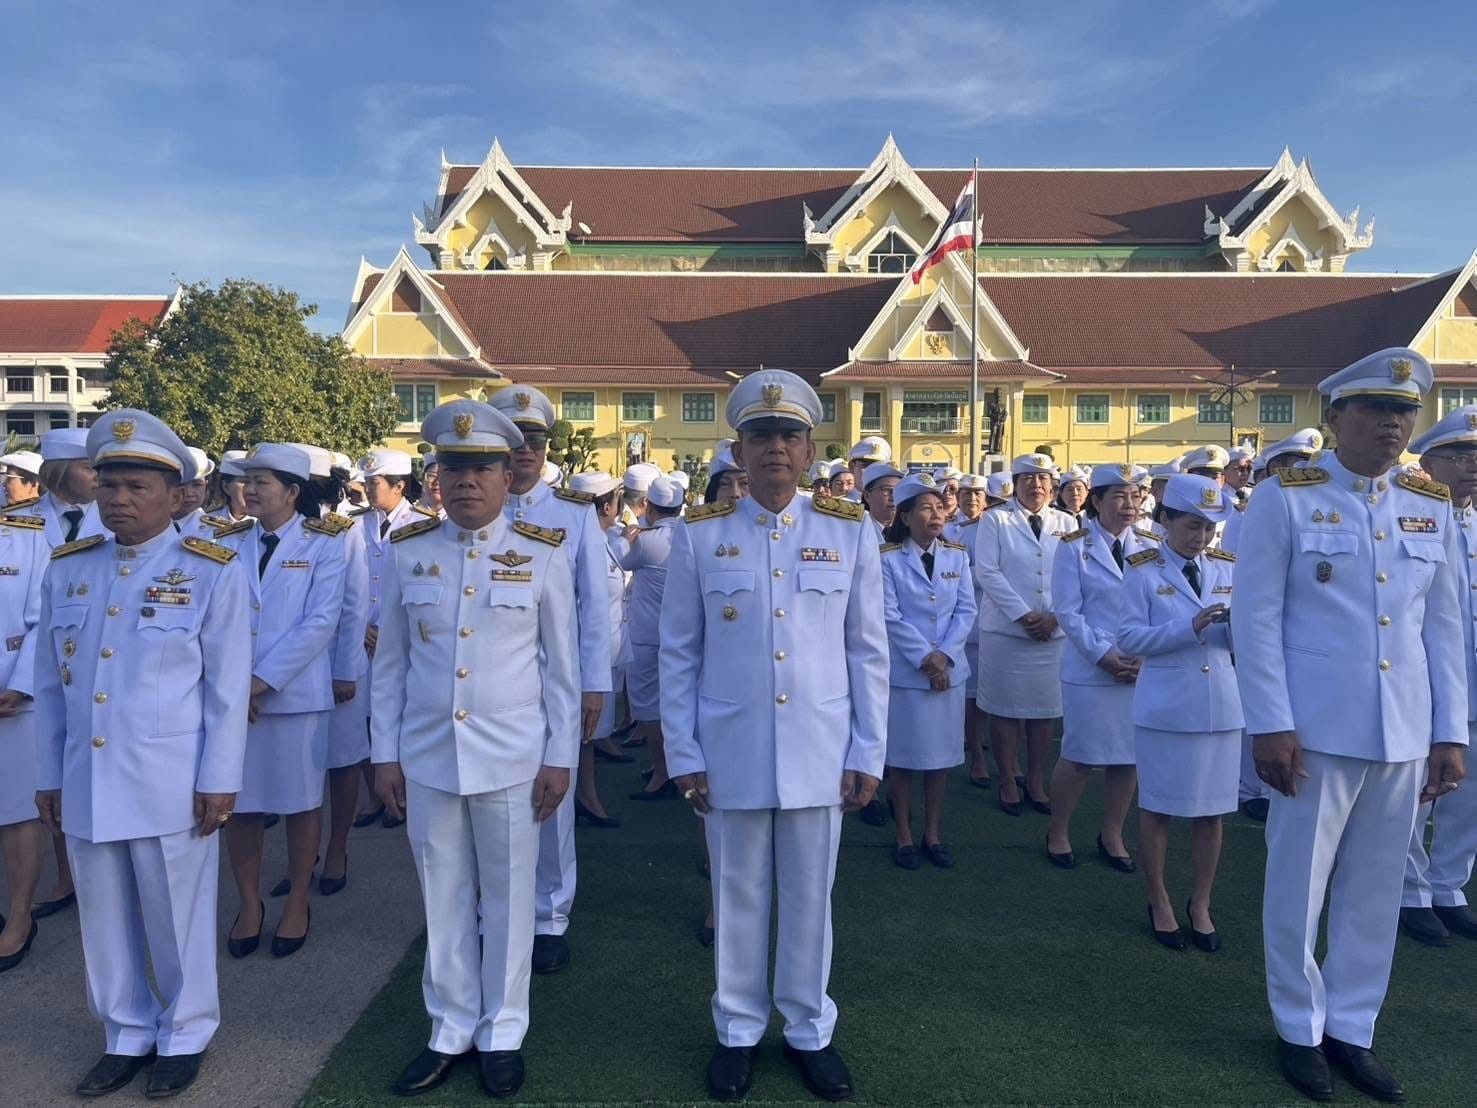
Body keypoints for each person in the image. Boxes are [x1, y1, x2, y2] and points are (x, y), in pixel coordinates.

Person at [1232, 349, 1467, 1103]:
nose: (1390, 424)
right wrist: (1269, 723)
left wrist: (1449, 733)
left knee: (1373, 892)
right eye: (1373, 409)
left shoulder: (1428, 507)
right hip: (1312, 731)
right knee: (1297, 887)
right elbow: (1256, 618)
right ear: (1334, 418)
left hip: (1401, 732)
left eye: (1402, 412)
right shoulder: (1286, 496)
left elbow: (1441, 630)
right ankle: (1297, 1026)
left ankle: (1351, 1029)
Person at [661, 370, 888, 1103]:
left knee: (810, 897)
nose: (775, 450)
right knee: (737, 893)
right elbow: (679, 652)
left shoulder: (848, 531)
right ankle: (734, 1029)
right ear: (737, 448)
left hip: (821, 745)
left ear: (812, 447)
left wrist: (867, 752)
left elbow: (867, 652)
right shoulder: (699, 536)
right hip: (728, 746)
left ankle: (807, 1030)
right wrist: (683, 751)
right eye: (760, 436)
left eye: (788, 436)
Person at [34, 410, 251, 1098]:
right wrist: (48, 776)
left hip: (169, 779)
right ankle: (125, 1031)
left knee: (174, 914)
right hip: (88, 777)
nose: (119, 499)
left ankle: (184, 1033)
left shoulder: (210, 570)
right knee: (103, 916)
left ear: (173, 493)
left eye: (135, 486)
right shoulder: (70, 570)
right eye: (109, 485)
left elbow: (225, 690)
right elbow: (50, 685)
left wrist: (220, 780)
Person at [371, 400, 578, 1100]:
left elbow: (561, 670)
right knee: (444, 898)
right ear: (435, 474)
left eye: (481, 468)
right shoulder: (406, 553)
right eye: (452, 467)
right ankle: (449, 1028)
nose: (465, 481)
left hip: (515, 756)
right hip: (428, 755)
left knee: (512, 898)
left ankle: (503, 1031)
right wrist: (383, 755)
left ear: (505, 474)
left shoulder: (543, 553)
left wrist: (561, 758)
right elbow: (390, 666)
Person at [489, 385, 612, 977]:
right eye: (514, 442)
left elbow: (593, 604)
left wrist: (594, 685)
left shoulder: (574, 514)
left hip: (556, 681)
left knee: (550, 802)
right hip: (493, 684)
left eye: (534, 440)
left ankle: (549, 917)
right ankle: (496, 912)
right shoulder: (472, 513)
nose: (525, 452)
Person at [218, 444, 349, 960]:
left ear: (292, 492)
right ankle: (249, 904)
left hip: (293, 698)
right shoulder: (223, 541)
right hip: (235, 700)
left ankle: (297, 899)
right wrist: (231, 686)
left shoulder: (324, 544)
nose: (247, 489)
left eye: (261, 481)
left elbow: (320, 623)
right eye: (244, 480)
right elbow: (215, 619)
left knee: (299, 804)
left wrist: (258, 682)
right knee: (241, 807)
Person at [1117, 475, 1241, 953]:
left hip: (1220, 707)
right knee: (1159, 810)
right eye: (1192, 526)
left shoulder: (1228, 568)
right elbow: (1128, 638)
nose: (1202, 537)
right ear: (1165, 520)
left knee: (1211, 815)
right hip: (1167, 707)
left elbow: (1245, 637)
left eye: (1209, 528)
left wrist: (1236, 631)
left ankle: (1201, 904)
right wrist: (1188, 627)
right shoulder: (1143, 569)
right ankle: (1159, 899)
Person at [1046, 464, 1155, 870]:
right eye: (1119, 497)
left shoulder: (1150, 545)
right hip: (1091, 668)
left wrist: (1142, 654)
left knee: (1127, 757)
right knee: (1079, 755)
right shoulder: (1073, 545)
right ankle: (1058, 831)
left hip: (1136, 664)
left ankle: (1112, 833)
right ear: (1096, 501)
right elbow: (1069, 612)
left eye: (1135, 496)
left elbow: (1156, 606)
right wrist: (1104, 656)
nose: (1129, 505)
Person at [1400, 406, 1477, 946]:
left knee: (1469, 796)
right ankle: (1410, 890)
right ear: (1429, 461)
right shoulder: (1411, 517)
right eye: (1459, 456)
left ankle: (1450, 886)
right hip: (1422, 681)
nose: (1471, 465)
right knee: (1414, 794)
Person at [29, 427, 108, 920]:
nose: (98, 479)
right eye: (88, 469)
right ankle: (65, 876)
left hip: (97, 667)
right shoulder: (19, 525)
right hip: (36, 670)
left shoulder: (120, 522)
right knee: (53, 779)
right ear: (60, 473)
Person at [880, 473, 976, 870]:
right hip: (906, 674)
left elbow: (966, 609)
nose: (936, 514)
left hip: (949, 672)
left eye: (939, 506)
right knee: (902, 759)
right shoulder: (887, 559)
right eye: (925, 507)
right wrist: (926, 657)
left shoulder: (956, 554)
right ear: (904, 515)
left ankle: (932, 833)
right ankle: (903, 833)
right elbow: (889, 614)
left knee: (939, 760)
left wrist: (946, 656)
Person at [972, 453, 1077, 815]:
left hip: (1052, 633)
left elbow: (1075, 576)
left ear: (1053, 485)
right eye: (1028, 479)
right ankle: (1006, 781)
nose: (1036, 485)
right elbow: (987, 572)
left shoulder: (1067, 521)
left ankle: (1034, 779)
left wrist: (1055, 617)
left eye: (1043, 479)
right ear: (1015, 484)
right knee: (1003, 710)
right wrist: (1025, 615)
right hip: (1006, 631)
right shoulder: (994, 519)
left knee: (1043, 712)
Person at [350, 449, 424, 829]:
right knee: (365, 720)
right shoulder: (354, 525)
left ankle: (405, 794)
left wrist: (394, 634)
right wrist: (361, 627)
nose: (367, 488)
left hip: (401, 639)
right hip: (361, 638)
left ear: (399, 485)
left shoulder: (423, 525)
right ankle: (376, 795)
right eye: (366, 482)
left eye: (374, 483)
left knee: (404, 715)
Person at [0, 489, 50, 972]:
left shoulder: (27, 540)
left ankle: (19, 919)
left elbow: (43, 619)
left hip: (11, 704)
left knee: (16, 814)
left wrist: (19, 685)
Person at [569, 471, 630, 824]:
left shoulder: (602, 538)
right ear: (608, 505)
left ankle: (586, 793)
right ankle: (586, 797)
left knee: (590, 736)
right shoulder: (582, 541)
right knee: (585, 736)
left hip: (603, 657)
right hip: (586, 660)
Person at [621, 475, 686, 801]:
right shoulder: (690, 535)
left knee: (649, 711)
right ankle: (675, 767)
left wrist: (627, 537)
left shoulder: (647, 541)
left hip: (647, 636)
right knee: (677, 706)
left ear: (648, 506)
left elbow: (620, 560)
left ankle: (662, 773)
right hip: (681, 635)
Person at [952, 473, 993, 788]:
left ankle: (981, 745)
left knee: (986, 691)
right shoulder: (952, 528)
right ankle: (975, 751)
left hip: (992, 616)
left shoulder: (995, 527)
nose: (971, 500)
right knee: (968, 692)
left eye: (977, 495)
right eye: (966, 495)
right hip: (963, 618)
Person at [860, 461, 902, 545]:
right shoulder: (858, 530)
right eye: (887, 490)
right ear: (867, 496)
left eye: (898, 491)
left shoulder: (911, 530)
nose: (894, 497)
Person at [844, 436, 891, 502]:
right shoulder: (840, 507)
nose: (872, 471)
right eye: (866, 466)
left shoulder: (893, 505)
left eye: (878, 467)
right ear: (851, 467)